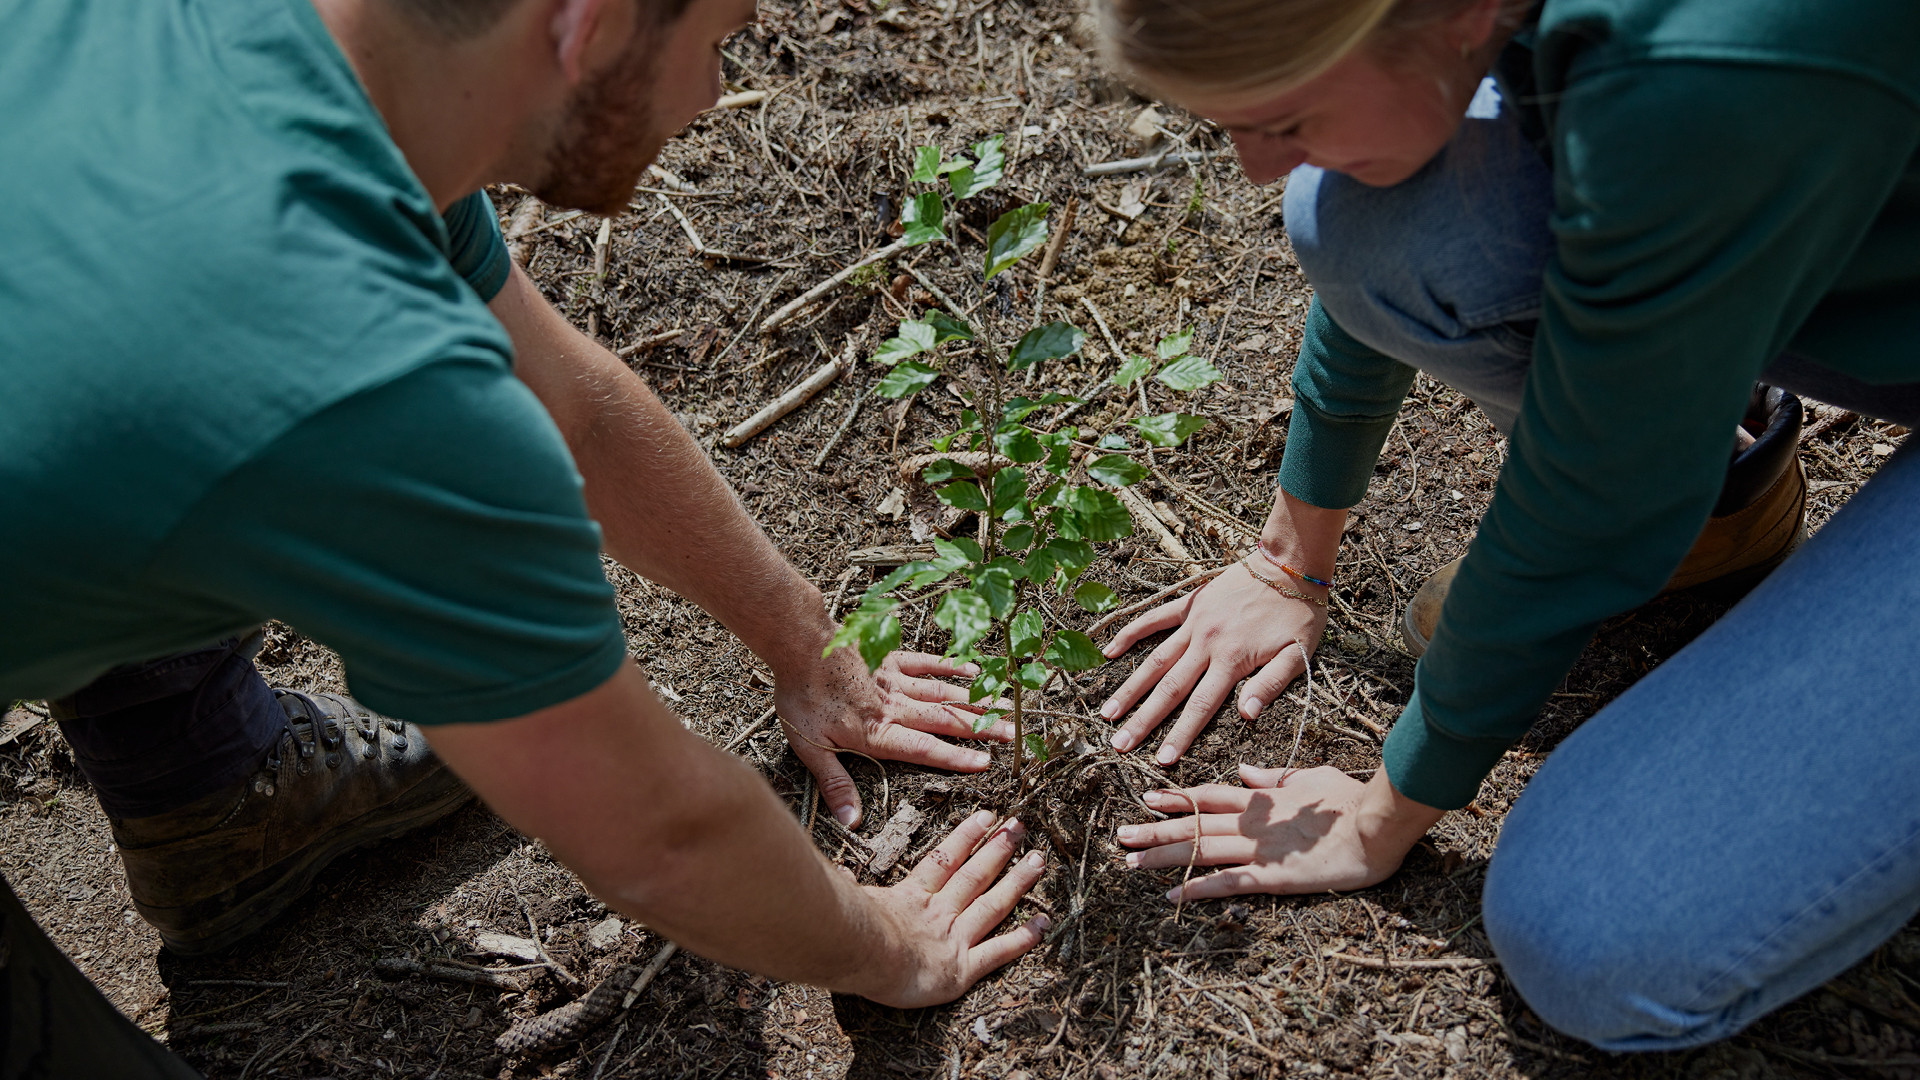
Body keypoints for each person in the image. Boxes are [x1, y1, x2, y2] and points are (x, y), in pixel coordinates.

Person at [0, 0, 1047, 1071]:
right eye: (717, 40)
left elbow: (578, 413)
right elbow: (657, 836)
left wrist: (802, 637)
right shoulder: (360, 378)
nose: (717, 92)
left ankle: (211, 792)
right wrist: (889, 948)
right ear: (589, 23)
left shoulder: (304, 66)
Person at [1092, 0, 1920, 1052]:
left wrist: (1381, 813)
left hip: (1749, 120)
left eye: (1289, 117)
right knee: (1353, 214)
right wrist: (1289, 557)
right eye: (1232, 128)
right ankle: (1720, 514)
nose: (1259, 168)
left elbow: (1588, 503)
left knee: (1592, 927)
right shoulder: (1525, 37)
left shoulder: (1688, 77)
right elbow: (1371, 224)